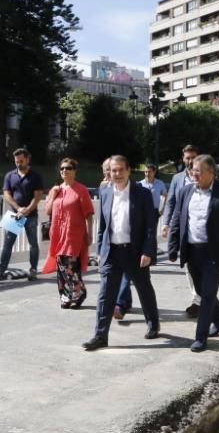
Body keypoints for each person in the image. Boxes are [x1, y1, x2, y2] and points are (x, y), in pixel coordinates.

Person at [82, 155, 160, 351]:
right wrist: (100, 251)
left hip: (135, 252)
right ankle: (100, 336)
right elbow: (103, 225)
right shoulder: (106, 192)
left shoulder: (142, 194)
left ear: (128, 171)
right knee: (105, 295)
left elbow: (151, 226)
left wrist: (148, 251)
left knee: (144, 288)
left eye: (120, 170)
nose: (116, 174)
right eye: (113, 170)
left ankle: (153, 323)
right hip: (112, 252)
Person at [167, 154, 219, 353]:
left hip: (213, 252)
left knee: (208, 293)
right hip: (192, 250)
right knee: (201, 291)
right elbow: (178, 219)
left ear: (211, 173)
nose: (194, 174)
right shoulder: (185, 192)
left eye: (198, 171)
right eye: (192, 170)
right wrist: (173, 246)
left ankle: (201, 337)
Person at [114, 163, 167, 320]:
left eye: (149, 171)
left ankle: (151, 320)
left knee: (142, 283)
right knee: (124, 276)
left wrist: (162, 208)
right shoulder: (139, 186)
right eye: (145, 172)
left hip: (152, 214)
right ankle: (121, 304)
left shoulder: (158, 185)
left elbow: (165, 195)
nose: (147, 174)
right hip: (123, 245)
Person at [41, 158, 95, 308]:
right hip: (57, 233)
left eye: (68, 168)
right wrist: (53, 194)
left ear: (75, 171)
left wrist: (89, 233)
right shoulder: (56, 190)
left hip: (74, 233)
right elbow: (47, 211)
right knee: (60, 266)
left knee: (69, 264)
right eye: (62, 168)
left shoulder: (81, 190)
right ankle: (65, 295)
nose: (65, 170)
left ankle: (79, 291)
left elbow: (89, 214)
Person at [0, 148, 44, 281]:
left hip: (30, 215)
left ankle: (33, 270)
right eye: (16, 161)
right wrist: (18, 208)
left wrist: (27, 210)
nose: (18, 164)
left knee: (33, 243)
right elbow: (6, 194)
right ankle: (1, 270)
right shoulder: (10, 175)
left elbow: (38, 196)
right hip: (14, 214)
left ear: (27, 159)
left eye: (21, 161)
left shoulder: (35, 176)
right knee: (7, 243)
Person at [162, 144, 203, 317]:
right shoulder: (178, 178)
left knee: (202, 266)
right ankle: (197, 299)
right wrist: (166, 223)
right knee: (188, 265)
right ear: (183, 158)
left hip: (200, 228)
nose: (190, 161)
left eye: (193, 157)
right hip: (183, 229)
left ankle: (201, 300)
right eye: (187, 157)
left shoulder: (204, 175)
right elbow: (170, 201)